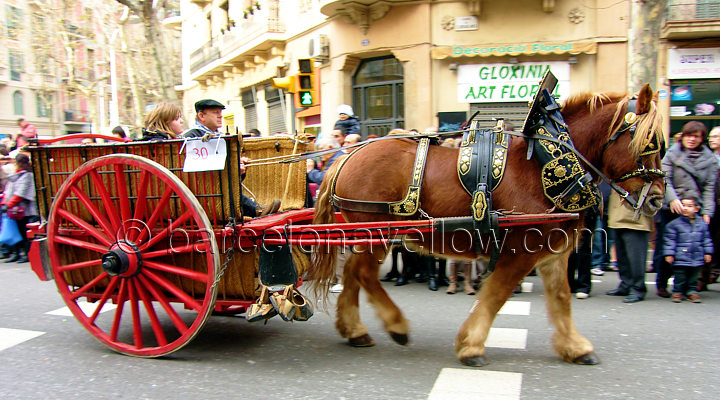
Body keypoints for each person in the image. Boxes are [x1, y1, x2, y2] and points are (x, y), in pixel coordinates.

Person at [654, 121, 718, 298]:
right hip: (672, 208)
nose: (691, 139)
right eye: (689, 135)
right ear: (683, 136)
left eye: (696, 136)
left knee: (694, 246)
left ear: (701, 138)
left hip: (694, 208)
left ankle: (690, 285)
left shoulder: (710, 159)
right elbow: (664, 179)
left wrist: (707, 212)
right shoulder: (672, 154)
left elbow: (709, 188)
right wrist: (673, 199)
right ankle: (662, 283)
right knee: (666, 246)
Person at [663, 196, 713, 303]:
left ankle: (691, 291)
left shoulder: (701, 224)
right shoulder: (674, 225)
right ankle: (678, 291)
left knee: (694, 276)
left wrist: (708, 252)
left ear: (696, 209)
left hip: (697, 257)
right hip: (680, 257)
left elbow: (706, 239)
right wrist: (669, 254)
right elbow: (669, 241)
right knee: (680, 276)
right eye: (683, 205)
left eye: (689, 206)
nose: (685, 208)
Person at [605, 191, 653, 303]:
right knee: (622, 256)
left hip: (636, 217)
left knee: (635, 258)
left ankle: (638, 288)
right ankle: (626, 284)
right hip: (618, 215)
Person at [0, 153, 39, 263]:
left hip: (24, 210)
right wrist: (5, 203)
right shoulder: (15, 175)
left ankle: (27, 254)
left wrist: (8, 205)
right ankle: (16, 253)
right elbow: (8, 192)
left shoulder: (27, 176)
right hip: (14, 209)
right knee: (15, 231)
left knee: (24, 232)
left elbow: (20, 193)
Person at [702, 126, 720, 290]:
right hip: (712, 204)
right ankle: (710, 272)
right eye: (711, 136)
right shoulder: (709, 157)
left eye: (716, 136)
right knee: (711, 239)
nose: (711, 139)